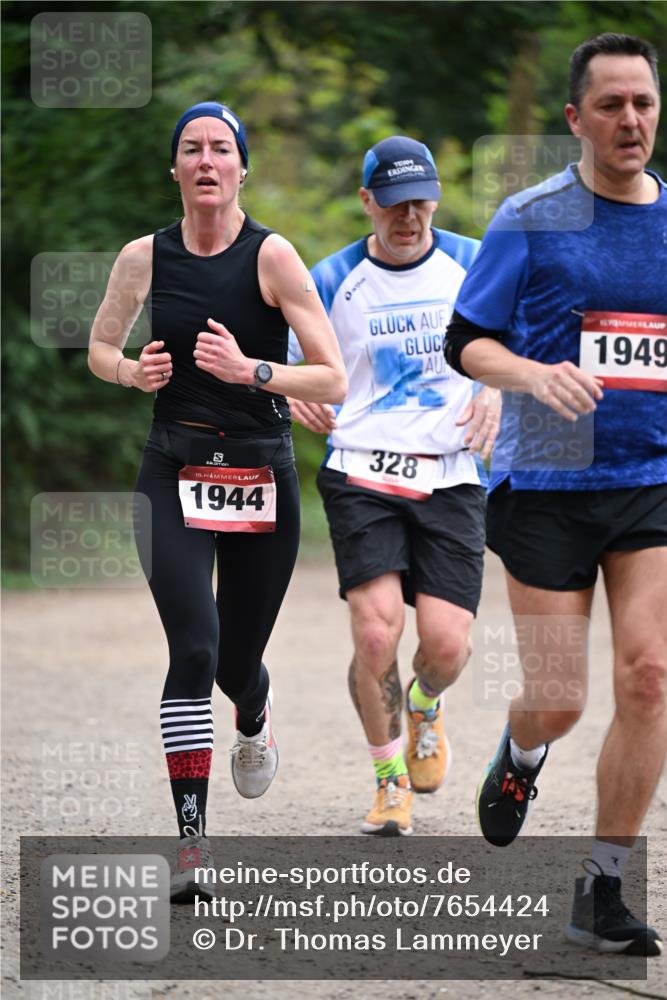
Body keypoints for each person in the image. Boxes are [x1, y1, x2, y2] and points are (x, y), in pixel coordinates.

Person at [88, 101, 346, 902]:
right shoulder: (143, 258)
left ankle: (255, 711)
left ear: (241, 168)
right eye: (191, 149)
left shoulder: (273, 258)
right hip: (171, 466)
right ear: (175, 169)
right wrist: (132, 373)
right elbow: (100, 348)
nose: (206, 161)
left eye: (221, 149)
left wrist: (254, 372)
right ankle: (191, 848)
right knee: (194, 650)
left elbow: (332, 377)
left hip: (260, 473)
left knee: (237, 664)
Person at [445, 33, 666, 956]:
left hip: (650, 480)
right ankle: (522, 751)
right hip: (543, 485)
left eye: (643, 104)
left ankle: (601, 890)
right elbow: (467, 341)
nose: (629, 120)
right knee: (559, 696)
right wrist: (533, 377)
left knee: (650, 676)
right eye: (610, 105)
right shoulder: (530, 217)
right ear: (575, 118)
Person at [289, 135, 499, 837]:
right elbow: (293, 361)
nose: (406, 217)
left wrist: (499, 390)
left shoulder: (476, 263)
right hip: (361, 471)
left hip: (451, 475)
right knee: (375, 632)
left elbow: (524, 343)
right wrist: (291, 393)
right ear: (366, 202)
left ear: (434, 197)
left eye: (418, 202)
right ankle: (387, 779)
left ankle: (426, 704)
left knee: (445, 647)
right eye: (392, 204)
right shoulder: (330, 277)